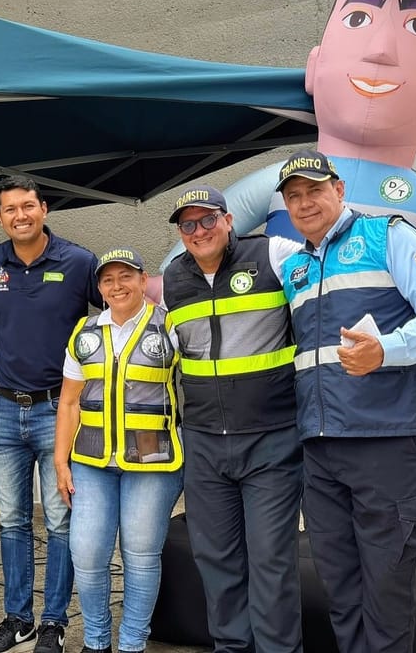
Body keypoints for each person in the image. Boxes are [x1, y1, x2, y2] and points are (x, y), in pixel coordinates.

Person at [179, 0, 416, 311]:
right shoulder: (284, 180)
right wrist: (156, 286)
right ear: (313, 66)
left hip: (380, 344)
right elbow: (201, 234)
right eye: (358, 18)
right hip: (289, 342)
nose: (381, 49)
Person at [275, 149, 416, 652]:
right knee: (339, 583)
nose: (305, 203)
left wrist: (387, 350)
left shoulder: (387, 235)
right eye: (294, 196)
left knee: (386, 584)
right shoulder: (295, 268)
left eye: (315, 190)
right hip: (320, 445)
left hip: (387, 439)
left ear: (339, 190)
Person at [161, 185, 304, 653]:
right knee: (215, 560)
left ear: (228, 221)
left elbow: (324, 283)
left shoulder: (274, 255)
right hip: (204, 443)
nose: (199, 230)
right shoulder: (173, 280)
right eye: (188, 224)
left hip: (272, 440)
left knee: (271, 561)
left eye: (208, 219)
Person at [0, 175, 103, 653]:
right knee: (11, 520)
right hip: (2, 410)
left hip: (58, 410)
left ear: (44, 209)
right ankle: (18, 619)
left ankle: (53, 622)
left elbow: (118, 304)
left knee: (59, 521)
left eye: (27, 206)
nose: (20, 216)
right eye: (10, 209)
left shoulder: (79, 261)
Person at [54, 247, 183, 653]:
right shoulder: (86, 331)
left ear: (144, 280)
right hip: (91, 459)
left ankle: (131, 644)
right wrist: (60, 461)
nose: (117, 285)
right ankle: (96, 642)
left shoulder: (170, 326)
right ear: (100, 288)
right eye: (108, 279)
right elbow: (69, 402)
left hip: (153, 459)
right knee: (87, 553)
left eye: (126, 276)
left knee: (140, 554)